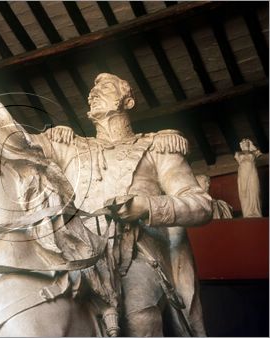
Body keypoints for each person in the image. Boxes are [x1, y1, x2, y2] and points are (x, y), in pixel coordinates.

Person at [32, 73, 212, 336]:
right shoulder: (70, 146)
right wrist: (47, 135)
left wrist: (145, 207)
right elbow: (13, 147)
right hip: (75, 256)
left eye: (105, 86)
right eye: (92, 89)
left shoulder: (157, 148)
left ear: (128, 101)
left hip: (136, 257)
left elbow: (201, 205)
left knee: (138, 318)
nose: (93, 92)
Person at [235, 138, 262, 217]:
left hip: (252, 172)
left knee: (255, 190)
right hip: (243, 173)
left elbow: (259, 153)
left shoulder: (253, 152)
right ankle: (246, 213)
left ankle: (256, 212)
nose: (245, 143)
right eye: (243, 142)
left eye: (246, 142)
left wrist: (252, 145)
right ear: (241, 144)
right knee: (244, 192)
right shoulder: (238, 153)